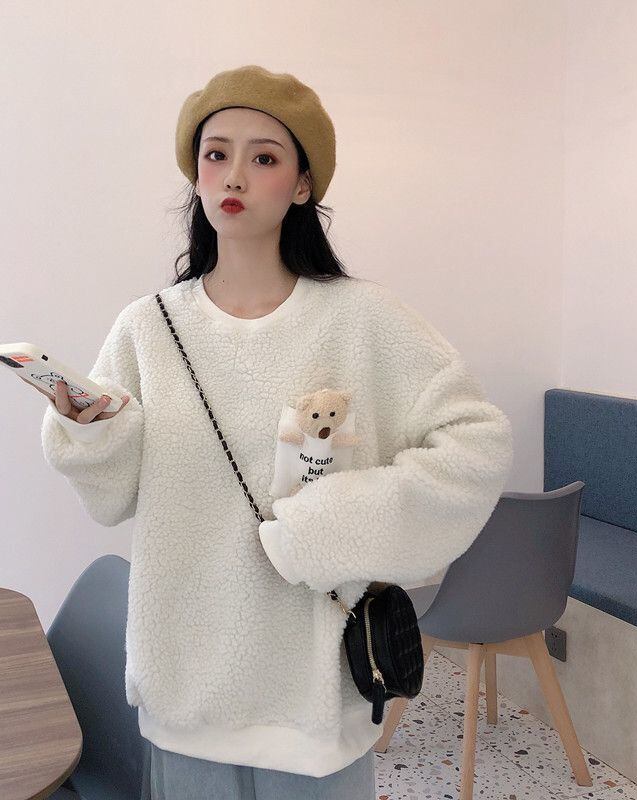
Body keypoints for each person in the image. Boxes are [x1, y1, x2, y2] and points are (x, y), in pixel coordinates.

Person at [40, 65, 514, 799]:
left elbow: (476, 445)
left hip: (314, 703)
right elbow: (114, 498)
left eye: (264, 157)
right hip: (186, 695)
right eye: (216, 153)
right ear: (196, 174)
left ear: (301, 186)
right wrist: (93, 435)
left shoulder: (362, 319)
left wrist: (334, 527)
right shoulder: (148, 329)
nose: (234, 174)